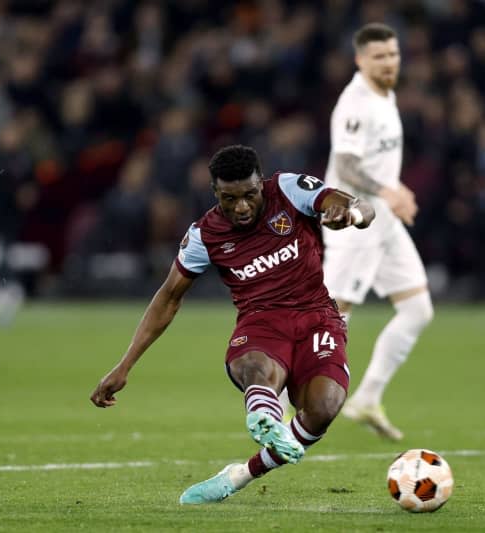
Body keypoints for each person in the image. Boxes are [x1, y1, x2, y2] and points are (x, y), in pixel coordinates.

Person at [90, 144, 374, 504]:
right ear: (215, 193)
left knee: (324, 408)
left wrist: (351, 214)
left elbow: (363, 206)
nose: (241, 206)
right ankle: (265, 415)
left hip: (318, 317)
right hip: (261, 324)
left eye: (249, 195)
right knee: (255, 367)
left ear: (262, 184)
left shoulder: (288, 189)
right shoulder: (204, 235)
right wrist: (125, 364)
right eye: (229, 198)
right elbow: (168, 298)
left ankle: (240, 475)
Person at [322, 23, 434, 441]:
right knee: (332, 317)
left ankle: (367, 398)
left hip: (383, 221)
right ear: (360, 60)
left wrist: (393, 191)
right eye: (380, 57)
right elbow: (347, 165)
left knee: (418, 309)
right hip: (354, 221)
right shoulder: (356, 103)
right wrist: (390, 189)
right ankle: (276, 403)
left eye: (393, 54)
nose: (389, 62)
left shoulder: (385, 95)